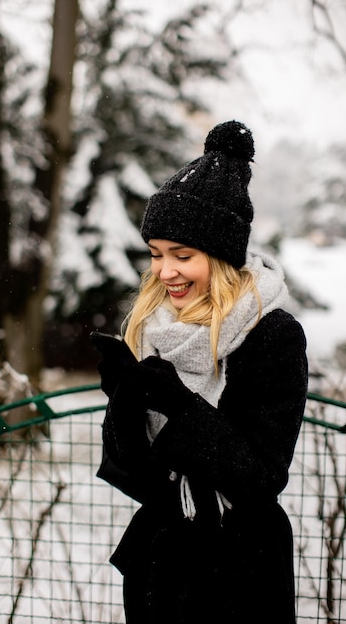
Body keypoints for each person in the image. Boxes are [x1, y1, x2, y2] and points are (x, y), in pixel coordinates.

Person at [95, 120, 308, 624]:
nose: (164, 272)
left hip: (239, 574)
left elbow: (260, 476)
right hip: (161, 566)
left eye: (182, 256)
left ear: (222, 257)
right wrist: (125, 401)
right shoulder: (152, 329)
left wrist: (177, 405)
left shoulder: (271, 334)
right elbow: (140, 479)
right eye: (156, 255)